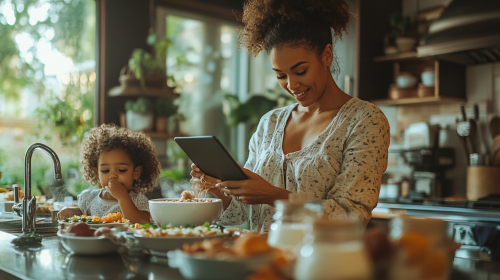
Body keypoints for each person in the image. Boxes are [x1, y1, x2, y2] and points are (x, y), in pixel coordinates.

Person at [190, 0, 390, 232]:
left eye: (300, 71)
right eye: (280, 75)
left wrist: (276, 196)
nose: (292, 85)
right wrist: (217, 189)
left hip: (319, 264)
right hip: (261, 261)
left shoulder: (364, 120)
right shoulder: (270, 123)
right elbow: (238, 213)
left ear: (326, 55)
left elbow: (352, 215)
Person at [57, 124, 161, 224]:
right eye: (105, 171)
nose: (113, 175)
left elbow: (142, 223)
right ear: (97, 174)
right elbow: (80, 217)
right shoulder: (89, 198)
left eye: (121, 170)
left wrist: (123, 198)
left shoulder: (138, 201)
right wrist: (70, 212)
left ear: (136, 173)